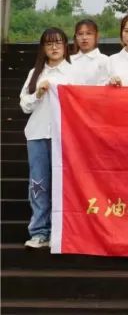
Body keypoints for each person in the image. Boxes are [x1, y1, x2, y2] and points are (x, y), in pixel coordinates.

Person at [20, 28, 97, 248]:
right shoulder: (35, 74)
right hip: (37, 134)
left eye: (58, 43)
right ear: (43, 48)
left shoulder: (74, 74)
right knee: (39, 184)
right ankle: (39, 232)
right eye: (49, 44)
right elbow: (24, 106)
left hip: (66, 136)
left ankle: (64, 230)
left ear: (66, 46)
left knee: (65, 184)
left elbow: (85, 103)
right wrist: (39, 92)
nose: (54, 48)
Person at [70, 19, 109, 83]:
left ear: (96, 36)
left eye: (89, 33)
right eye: (80, 34)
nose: (84, 37)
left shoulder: (105, 60)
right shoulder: (69, 61)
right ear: (76, 37)